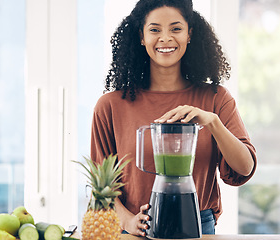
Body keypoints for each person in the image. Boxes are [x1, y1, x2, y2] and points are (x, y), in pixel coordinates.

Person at [90, 0, 257, 236]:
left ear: (190, 34)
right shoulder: (110, 105)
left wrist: (213, 122)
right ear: (141, 36)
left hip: (199, 224)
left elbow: (244, 167)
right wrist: (128, 221)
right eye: (155, 30)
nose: (166, 38)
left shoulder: (216, 99)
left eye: (176, 29)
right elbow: (101, 185)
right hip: (134, 227)